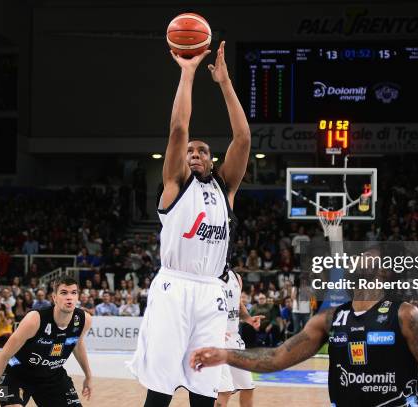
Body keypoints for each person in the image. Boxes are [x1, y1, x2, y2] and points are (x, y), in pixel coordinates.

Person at [128, 40, 251, 407]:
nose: (194, 153)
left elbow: (243, 138)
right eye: (190, 152)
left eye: (202, 151)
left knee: (204, 385)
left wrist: (225, 84)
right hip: (173, 287)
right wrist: (188, 72)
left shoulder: (224, 187)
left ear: (212, 161)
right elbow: (179, 129)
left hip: (211, 293)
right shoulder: (175, 185)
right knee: (161, 385)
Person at [191, 248, 418, 406]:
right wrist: (225, 355)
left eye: (369, 255)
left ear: (384, 271)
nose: (360, 256)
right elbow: (275, 357)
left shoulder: (405, 315)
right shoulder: (329, 319)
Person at [0, 276, 93, 407]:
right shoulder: (34, 320)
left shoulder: (84, 320)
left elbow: (77, 344)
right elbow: (4, 356)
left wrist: (88, 376)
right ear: (54, 297)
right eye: (64, 293)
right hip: (19, 374)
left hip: (52, 375)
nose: (69, 297)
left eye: (73, 293)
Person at [216, 270, 262, 407]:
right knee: (224, 391)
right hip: (217, 340)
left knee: (247, 387)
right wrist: (211, 329)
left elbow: (237, 303)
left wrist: (248, 318)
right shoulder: (208, 274)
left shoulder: (236, 277)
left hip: (234, 339)